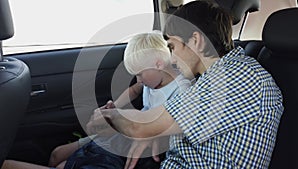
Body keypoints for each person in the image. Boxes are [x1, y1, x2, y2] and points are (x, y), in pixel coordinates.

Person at [92, 1, 284, 169]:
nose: (172, 59)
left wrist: (109, 114)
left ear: (195, 40)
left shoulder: (238, 76)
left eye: (172, 47)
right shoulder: (212, 77)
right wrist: (157, 135)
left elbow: (139, 127)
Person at [1, 31, 191, 169]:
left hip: (133, 138)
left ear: (158, 64)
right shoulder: (151, 80)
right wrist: (115, 106)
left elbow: (170, 128)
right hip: (121, 133)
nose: (139, 80)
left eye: (140, 74)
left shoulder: (182, 90)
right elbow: (134, 90)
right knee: (56, 153)